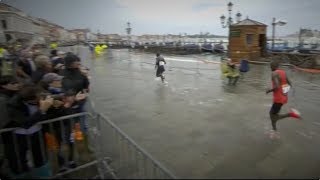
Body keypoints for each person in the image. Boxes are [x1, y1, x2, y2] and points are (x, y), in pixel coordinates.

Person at [3, 85, 53, 178]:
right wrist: (42, 110)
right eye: (39, 98)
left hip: (37, 134)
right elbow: (25, 123)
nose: (42, 100)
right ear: (31, 100)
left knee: (41, 158)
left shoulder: (39, 101)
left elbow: (49, 116)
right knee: (18, 162)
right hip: (18, 137)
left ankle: (43, 175)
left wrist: (57, 107)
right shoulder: (13, 104)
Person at [266, 60, 301, 139]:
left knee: (272, 115)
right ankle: (274, 130)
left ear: (272, 66)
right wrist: (284, 94)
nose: (270, 68)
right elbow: (290, 84)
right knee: (273, 115)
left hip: (278, 99)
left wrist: (269, 90)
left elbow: (277, 86)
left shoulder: (274, 73)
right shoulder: (283, 72)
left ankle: (290, 115)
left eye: (270, 66)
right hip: (283, 98)